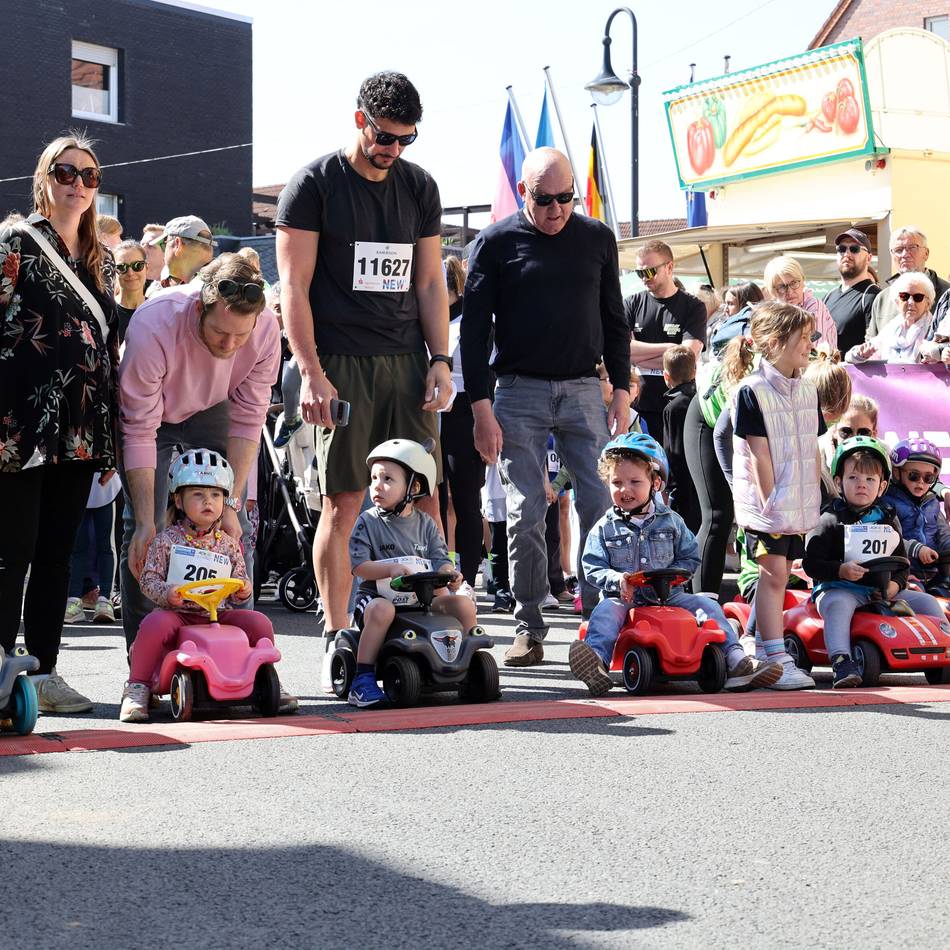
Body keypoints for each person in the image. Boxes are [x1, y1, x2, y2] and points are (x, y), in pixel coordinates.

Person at [276, 71, 452, 659]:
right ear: (359, 120)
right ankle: (337, 632)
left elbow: (430, 283)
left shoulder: (420, 188)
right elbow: (293, 289)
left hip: (406, 360)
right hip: (340, 362)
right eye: (384, 136)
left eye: (405, 139)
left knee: (424, 496)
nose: (392, 149)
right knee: (345, 499)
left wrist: (441, 360)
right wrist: (311, 371)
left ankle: (431, 617)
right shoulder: (313, 186)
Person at [461, 147, 631, 666]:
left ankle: (599, 629)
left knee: (600, 505)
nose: (557, 209)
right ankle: (529, 626)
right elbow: (472, 331)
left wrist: (620, 388)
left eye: (566, 198)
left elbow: (613, 318)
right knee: (526, 509)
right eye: (545, 199)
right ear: (523, 194)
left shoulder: (597, 238)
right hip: (518, 390)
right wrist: (480, 409)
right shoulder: (493, 243)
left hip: (584, 387)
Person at [0, 134, 118, 713]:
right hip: (18, 423)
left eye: (89, 176)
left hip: (79, 429)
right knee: (11, 548)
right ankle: (0, 664)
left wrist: (110, 442)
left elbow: (108, 351)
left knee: (56, 553)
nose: (78, 184)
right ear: (45, 178)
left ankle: (43, 671)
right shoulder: (15, 240)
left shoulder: (101, 261)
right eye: (67, 172)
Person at [118, 254, 281, 662]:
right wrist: (143, 521)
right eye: (220, 332)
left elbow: (248, 421)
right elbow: (139, 429)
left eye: (240, 337)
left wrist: (230, 501)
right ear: (199, 308)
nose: (229, 346)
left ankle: (236, 652)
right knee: (150, 529)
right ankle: (143, 664)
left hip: (213, 405)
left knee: (234, 524)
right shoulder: (155, 322)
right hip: (152, 414)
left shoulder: (265, 330)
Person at [567, 434, 782, 695]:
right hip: (625, 597)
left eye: (635, 481)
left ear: (655, 483)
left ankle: (737, 661)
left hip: (670, 596)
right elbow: (592, 566)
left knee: (707, 605)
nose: (625, 490)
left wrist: (677, 576)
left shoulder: (672, 522)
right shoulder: (604, 528)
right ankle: (597, 664)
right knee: (605, 612)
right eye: (617, 483)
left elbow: (690, 556)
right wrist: (617, 580)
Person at [119, 450, 275, 722]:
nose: (208, 502)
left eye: (215, 495)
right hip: (178, 613)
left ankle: (266, 677)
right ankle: (138, 686)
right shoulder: (166, 540)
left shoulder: (227, 543)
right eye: (198, 495)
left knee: (259, 622)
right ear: (179, 500)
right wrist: (166, 593)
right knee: (154, 625)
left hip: (218, 612)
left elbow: (240, 576)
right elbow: (148, 579)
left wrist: (243, 589)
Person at [726, 301, 825, 690]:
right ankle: (775, 653)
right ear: (776, 341)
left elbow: (812, 446)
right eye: (802, 338)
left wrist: (815, 488)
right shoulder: (752, 391)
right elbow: (757, 452)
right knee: (772, 575)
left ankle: (762, 647)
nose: (809, 344)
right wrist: (771, 502)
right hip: (769, 506)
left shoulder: (807, 388)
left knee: (782, 575)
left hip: (796, 501)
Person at [804, 437, 946, 687]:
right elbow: (811, 564)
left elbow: (902, 562)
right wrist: (840, 570)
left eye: (870, 480)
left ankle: (943, 652)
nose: (862, 485)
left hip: (880, 589)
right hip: (839, 588)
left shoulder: (887, 518)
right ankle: (842, 660)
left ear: (882, 487)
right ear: (839, 482)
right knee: (837, 604)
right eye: (853, 478)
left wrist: (895, 585)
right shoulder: (829, 518)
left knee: (927, 601)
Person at [348, 439, 473, 707]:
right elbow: (359, 567)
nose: (377, 486)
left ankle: (468, 662)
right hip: (374, 599)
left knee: (461, 604)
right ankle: (363, 678)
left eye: (388, 479)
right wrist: (390, 569)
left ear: (413, 487)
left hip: (419, 599)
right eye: (373, 478)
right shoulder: (367, 521)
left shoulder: (426, 524)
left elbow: (440, 559)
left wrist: (449, 573)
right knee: (383, 611)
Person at [624, 241, 705, 439]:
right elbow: (622, 350)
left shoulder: (692, 307)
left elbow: (684, 360)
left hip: (679, 402)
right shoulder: (632, 303)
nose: (644, 278)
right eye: (639, 273)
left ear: (669, 267)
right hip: (641, 402)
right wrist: (669, 348)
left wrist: (638, 357)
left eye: (650, 271)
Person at [437, 255, 484, 599]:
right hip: (429, 411)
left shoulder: (472, 317)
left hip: (464, 409)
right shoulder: (425, 317)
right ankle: (437, 571)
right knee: (434, 498)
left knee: (466, 498)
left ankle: (468, 574)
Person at [883, 438, 950, 589]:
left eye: (928, 478)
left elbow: (943, 533)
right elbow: (887, 538)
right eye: (914, 475)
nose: (921, 482)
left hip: (936, 573)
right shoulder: (887, 502)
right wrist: (916, 549)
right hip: (903, 573)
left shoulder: (931, 501)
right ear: (897, 472)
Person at [868, 227, 950, 337]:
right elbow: (872, 342)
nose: (905, 254)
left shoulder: (946, 294)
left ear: (926, 253)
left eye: (912, 248)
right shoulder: (882, 299)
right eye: (898, 250)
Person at [846, 273, 935, 363]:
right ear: (897, 302)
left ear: (928, 303)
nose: (910, 302)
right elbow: (854, 356)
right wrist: (860, 354)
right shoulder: (891, 329)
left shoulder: (935, 330)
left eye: (918, 297)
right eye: (904, 296)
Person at [822, 229, 881, 355]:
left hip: (856, 373)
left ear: (869, 258)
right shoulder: (828, 297)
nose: (847, 254)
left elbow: (876, 347)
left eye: (854, 249)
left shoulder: (873, 296)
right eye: (841, 249)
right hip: (826, 372)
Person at [662, 345, 700, 534]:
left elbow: (672, 450)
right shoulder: (701, 399)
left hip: (682, 484)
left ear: (666, 376)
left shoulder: (673, 407)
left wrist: (669, 484)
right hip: (701, 476)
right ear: (695, 370)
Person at [763, 255, 837, 351]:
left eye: (794, 283)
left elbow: (812, 348)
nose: (789, 291)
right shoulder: (772, 313)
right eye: (782, 286)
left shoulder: (814, 305)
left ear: (803, 281)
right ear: (772, 291)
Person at [145, 215, 215, 295]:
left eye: (163, 244)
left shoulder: (212, 291)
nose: (163, 252)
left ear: (177, 244)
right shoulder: (222, 286)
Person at [113, 239, 148, 341]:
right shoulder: (107, 312)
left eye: (137, 265)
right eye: (122, 267)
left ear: (147, 268)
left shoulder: (156, 310)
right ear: (113, 271)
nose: (130, 273)